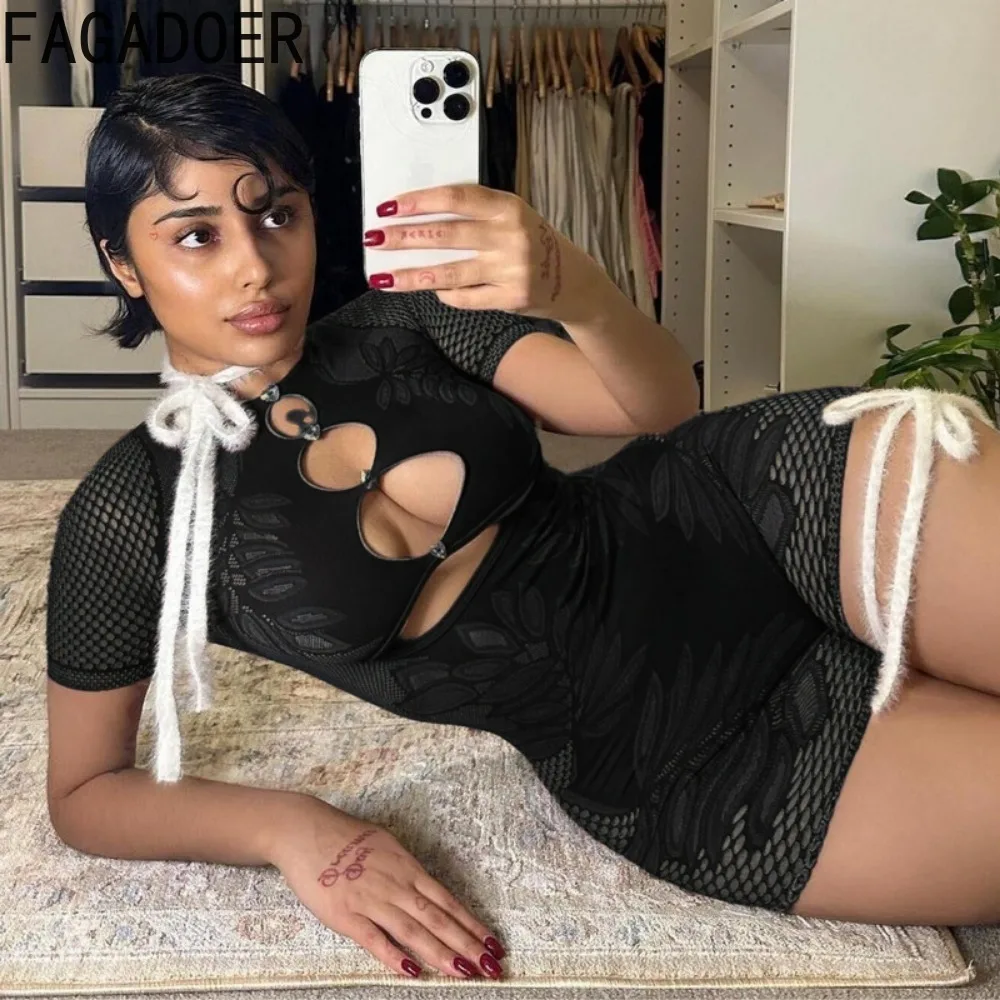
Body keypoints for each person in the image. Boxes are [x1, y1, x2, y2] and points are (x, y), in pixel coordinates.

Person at [45, 73, 1000, 985]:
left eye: (276, 215)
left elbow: (654, 406)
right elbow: (85, 794)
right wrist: (291, 828)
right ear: (121, 262)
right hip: (693, 765)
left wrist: (569, 285)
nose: (255, 266)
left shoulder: (408, 316)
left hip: (769, 512)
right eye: (197, 236)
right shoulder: (132, 513)